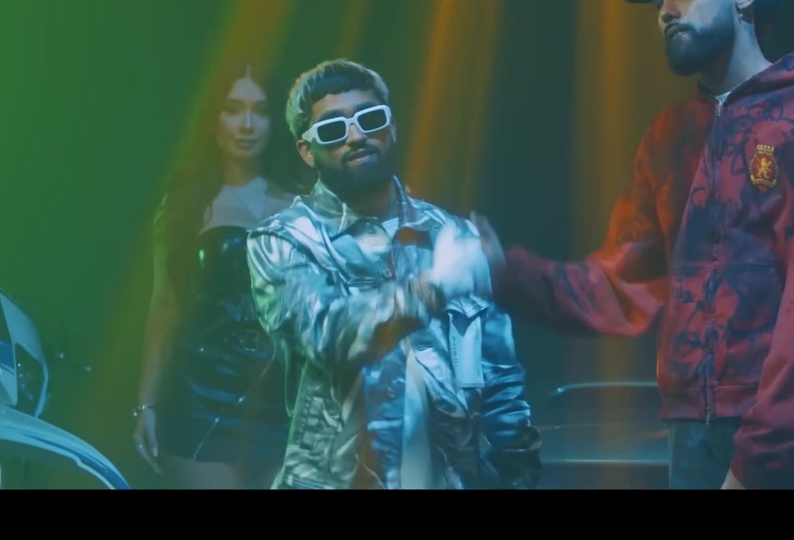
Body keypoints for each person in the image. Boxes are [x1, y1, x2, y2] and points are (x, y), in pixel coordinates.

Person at [473, 0, 794, 490]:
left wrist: (762, 458)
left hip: (790, 433)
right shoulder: (669, 135)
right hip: (692, 427)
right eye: (659, 0)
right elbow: (624, 282)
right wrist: (504, 273)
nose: (667, 11)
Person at [245, 58, 541, 490]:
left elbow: (501, 380)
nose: (356, 136)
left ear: (392, 127)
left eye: (370, 119)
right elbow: (328, 333)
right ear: (307, 151)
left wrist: (520, 476)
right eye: (332, 129)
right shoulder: (283, 240)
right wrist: (437, 286)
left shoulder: (451, 235)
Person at [133, 63, 310, 489]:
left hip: (283, 401)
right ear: (214, 118)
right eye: (233, 109)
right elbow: (165, 307)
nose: (247, 124)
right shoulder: (186, 204)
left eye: (260, 111)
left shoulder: (305, 201)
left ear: (276, 121)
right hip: (202, 397)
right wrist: (146, 405)